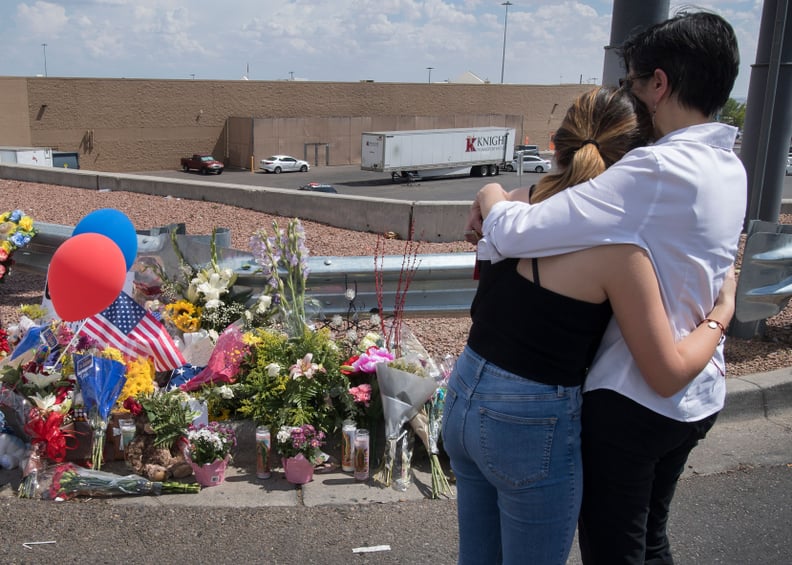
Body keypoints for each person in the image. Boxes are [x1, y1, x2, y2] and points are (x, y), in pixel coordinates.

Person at [467, 11, 745, 565]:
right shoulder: (727, 165)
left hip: (634, 397)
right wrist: (721, 311)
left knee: (614, 551)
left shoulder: (652, 171)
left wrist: (493, 195)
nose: (632, 95)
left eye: (634, 83)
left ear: (659, 84)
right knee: (651, 540)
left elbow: (520, 230)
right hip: (697, 397)